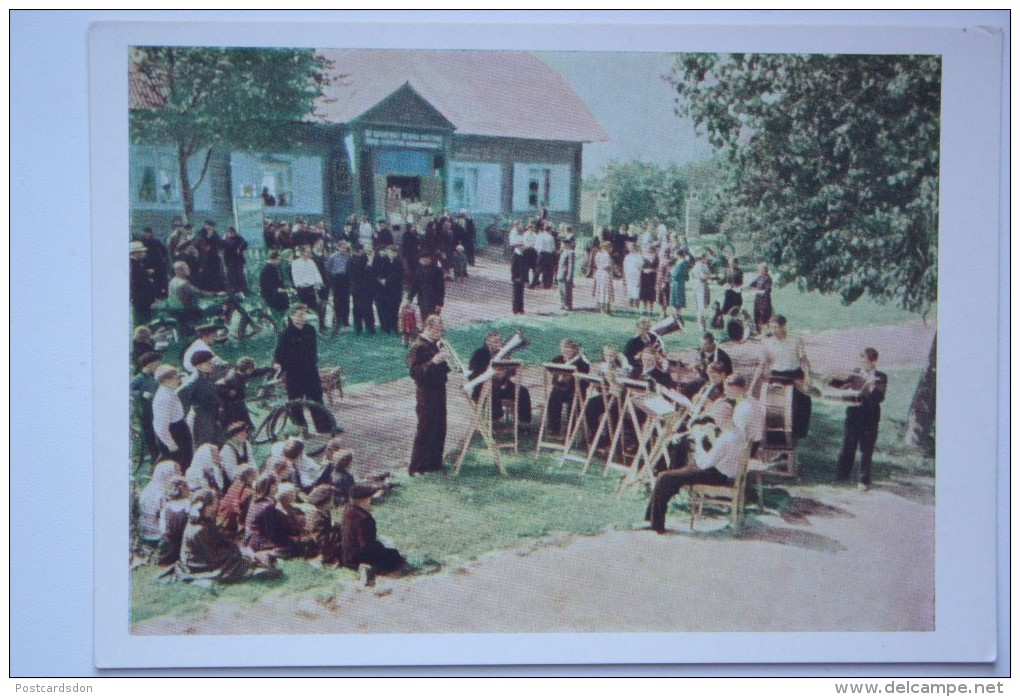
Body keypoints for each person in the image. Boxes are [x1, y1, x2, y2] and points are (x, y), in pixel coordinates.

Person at [644, 400, 749, 533]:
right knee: (675, 475)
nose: (715, 420)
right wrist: (711, 437)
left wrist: (699, 439)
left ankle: (655, 526)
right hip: (724, 472)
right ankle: (651, 518)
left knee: (663, 477)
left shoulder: (727, 438)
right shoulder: (737, 432)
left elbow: (704, 463)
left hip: (716, 475)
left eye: (716, 417)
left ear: (723, 417)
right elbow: (721, 452)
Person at [174, 489, 275, 584]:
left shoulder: (205, 521)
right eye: (215, 503)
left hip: (210, 556)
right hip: (198, 563)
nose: (217, 505)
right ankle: (253, 570)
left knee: (246, 556)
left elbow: (220, 541)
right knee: (241, 561)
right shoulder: (199, 529)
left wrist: (238, 548)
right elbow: (212, 555)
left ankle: (256, 565)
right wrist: (237, 553)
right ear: (207, 506)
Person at [273, 304, 337, 434]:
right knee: (296, 401)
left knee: (316, 398)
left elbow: (312, 350)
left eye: (304, 314)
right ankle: (301, 428)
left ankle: (324, 427)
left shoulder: (310, 330)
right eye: (299, 315)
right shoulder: (285, 333)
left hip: (310, 371)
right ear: (292, 316)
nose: (303, 317)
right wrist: (279, 364)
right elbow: (279, 353)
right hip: (294, 373)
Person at [834, 348, 888, 490]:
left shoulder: (881, 377)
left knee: (866, 448)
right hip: (853, 414)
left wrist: (871, 386)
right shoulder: (856, 373)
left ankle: (863, 480)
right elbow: (843, 385)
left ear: (874, 361)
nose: (863, 363)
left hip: (870, 417)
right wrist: (831, 380)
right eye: (861, 360)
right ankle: (842, 475)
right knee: (847, 445)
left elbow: (880, 397)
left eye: (865, 360)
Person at [753, 315, 813, 439]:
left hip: (794, 374)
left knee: (803, 403)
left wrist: (807, 377)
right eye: (771, 327)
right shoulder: (767, 342)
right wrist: (753, 385)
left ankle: (796, 435)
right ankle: (778, 436)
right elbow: (762, 364)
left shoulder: (796, 339)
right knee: (776, 409)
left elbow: (804, 360)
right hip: (777, 376)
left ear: (783, 326)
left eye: (776, 327)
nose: (773, 331)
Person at [406, 315, 450, 475]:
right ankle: (417, 466)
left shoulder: (435, 344)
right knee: (425, 428)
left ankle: (434, 462)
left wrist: (446, 360)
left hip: (439, 389)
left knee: (439, 426)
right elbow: (415, 372)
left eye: (441, 329)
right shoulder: (417, 346)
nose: (440, 332)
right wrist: (433, 362)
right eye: (438, 329)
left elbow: (444, 368)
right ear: (429, 328)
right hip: (426, 392)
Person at [340, 485, 409, 576]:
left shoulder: (348, 509)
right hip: (358, 558)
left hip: (347, 555)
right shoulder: (363, 519)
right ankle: (367, 568)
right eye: (369, 497)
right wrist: (383, 548)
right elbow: (367, 546)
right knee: (395, 557)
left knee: (390, 552)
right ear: (364, 499)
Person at [468, 332, 533, 428]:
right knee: (493, 389)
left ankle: (524, 423)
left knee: (522, 391)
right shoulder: (480, 353)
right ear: (487, 342)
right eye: (495, 341)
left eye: (499, 341)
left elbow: (511, 374)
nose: (498, 344)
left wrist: (509, 367)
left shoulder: (503, 353)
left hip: (502, 384)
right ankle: (496, 421)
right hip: (483, 387)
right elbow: (474, 375)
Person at [244, 474, 302, 558]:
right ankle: (267, 553)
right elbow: (271, 533)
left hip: (251, 539)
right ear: (271, 487)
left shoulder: (256, 502)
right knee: (295, 547)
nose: (278, 487)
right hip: (260, 542)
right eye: (276, 484)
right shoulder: (268, 506)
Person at [544, 339, 590, 434]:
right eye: (564, 348)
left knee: (575, 400)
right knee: (553, 396)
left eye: (570, 348)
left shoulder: (581, 362)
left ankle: (572, 430)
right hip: (560, 389)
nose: (566, 350)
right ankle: (554, 428)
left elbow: (585, 374)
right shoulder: (557, 360)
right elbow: (549, 367)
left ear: (575, 350)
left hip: (575, 391)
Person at [178, 350, 222, 448]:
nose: (212, 365)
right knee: (206, 447)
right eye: (208, 363)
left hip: (212, 416)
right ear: (198, 366)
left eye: (211, 362)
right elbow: (180, 393)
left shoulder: (206, 376)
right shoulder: (194, 381)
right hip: (202, 419)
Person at [152, 365, 193, 469]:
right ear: (165, 381)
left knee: (187, 461)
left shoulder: (169, 391)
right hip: (174, 434)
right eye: (175, 378)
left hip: (179, 430)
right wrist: (171, 444)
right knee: (180, 465)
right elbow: (160, 427)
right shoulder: (163, 399)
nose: (178, 380)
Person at [137, 460, 183, 543]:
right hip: (155, 536)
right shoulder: (159, 494)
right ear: (167, 474)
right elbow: (165, 517)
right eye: (176, 472)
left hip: (145, 532)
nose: (180, 475)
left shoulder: (151, 487)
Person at [130, 350, 163, 465]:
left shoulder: (153, 378)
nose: (159, 366)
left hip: (155, 412)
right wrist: (140, 394)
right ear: (150, 364)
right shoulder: (138, 379)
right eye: (157, 364)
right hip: (145, 415)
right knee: (152, 442)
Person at [216, 465, 257, 540]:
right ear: (250, 477)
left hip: (221, 519)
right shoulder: (249, 491)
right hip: (233, 524)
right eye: (254, 477)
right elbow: (245, 513)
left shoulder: (235, 485)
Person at [216, 357, 256, 430]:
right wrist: (228, 392)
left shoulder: (236, 373)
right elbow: (219, 389)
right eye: (251, 369)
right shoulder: (234, 379)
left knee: (247, 426)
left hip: (237, 405)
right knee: (240, 427)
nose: (253, 371)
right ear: (248, 370)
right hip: (232, 407)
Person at [290, 245, 325, 325]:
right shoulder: (295, 263)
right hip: (301, 288)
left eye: (310, 252)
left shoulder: (311, 262)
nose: (309, 254)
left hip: (311, 288)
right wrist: (299, 284)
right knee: (302, 308)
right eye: (307, 252)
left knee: (314, 308)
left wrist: (319, 282)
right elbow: (295, 276)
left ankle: (319, 326)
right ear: (302, 252)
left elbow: (316, 273)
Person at [348, 243, 376, 334]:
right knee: (357, 309)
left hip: (367, 288)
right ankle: (358, 327)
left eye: (360, 251)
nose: (359, 253)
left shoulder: (366, 258)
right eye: (358, 251)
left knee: (368, 308)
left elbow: (371, 273)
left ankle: (370, 327)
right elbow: (352, 273)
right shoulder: (351, 260)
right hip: (357, 288)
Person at [408, 254, 445, 321]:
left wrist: (439, 303)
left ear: (430, 259)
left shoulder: (437, 270)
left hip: (433, 300)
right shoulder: (418, 270)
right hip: (422, 300)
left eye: (426, 259)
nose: (424, 261)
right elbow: (415, 285)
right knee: (424, 320)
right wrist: (410, 298)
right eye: (422, 259)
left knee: (433, 321)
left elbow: (441, 289)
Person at [325, 241, 351, 334]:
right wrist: (331, 283)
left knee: (346, 301)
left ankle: (345, 321)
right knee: (337, 302)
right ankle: (337, 321)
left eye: (345, 248)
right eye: (342, 247)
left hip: (345, 279)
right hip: (336, 279)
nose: (344, 249)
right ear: (338, 247)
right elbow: (328, 270)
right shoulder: (332, 257)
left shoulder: (348, 257)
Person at [130, 240, 158, 325]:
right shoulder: (133, 265)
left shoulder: (138, 264)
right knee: (143, 322)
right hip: (141, 300)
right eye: (141, 252)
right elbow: (139, 283)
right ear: (135, 252)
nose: (143, 253)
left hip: (143, 299)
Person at [259, 251, 291, 321]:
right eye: (278, 260)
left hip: (280, 295)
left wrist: (285, 288)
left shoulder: (277, 267)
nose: (279, 261)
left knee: (286, 310)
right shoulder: (266, 270)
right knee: (277, 316)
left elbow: (280, 280)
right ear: (273, 259)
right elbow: (266, 285)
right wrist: (277, 289)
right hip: (271, 296)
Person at [747, 263, 774, 332]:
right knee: (756, 316)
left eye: (760, 269)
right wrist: (747, 288)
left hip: (765, 300)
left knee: (764, 317)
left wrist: (756, 291)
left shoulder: (768, 278)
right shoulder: (759, 277)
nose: (758, 270)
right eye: (759, 269)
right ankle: (758, 331)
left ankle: (766, 332)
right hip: (757, 300)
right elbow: (751, 285)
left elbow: (767, 291)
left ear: (764, 269)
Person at [222, 226, 249, 295]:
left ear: (234, 233)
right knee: (230, 276)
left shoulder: (238, 239)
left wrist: (240, 249)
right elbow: (224, 248)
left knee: (240, 276)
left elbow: (245, 244)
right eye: (229, 232)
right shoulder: (226, 240)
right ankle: (232, 291)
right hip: (229, 261)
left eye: (231, 232)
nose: (230, 234)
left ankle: (243, 291)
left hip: (238, 261)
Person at [691, 252, 713, 331]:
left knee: (705, 304)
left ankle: (703, 323)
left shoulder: (704, 265)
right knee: (701, 306)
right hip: (700, 286)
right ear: (702, 257)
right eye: (705, 257)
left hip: (704, 285)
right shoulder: (698, 266)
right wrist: (712, 276)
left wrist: (710, 276)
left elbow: (709, 273)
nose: (706, 259)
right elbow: (703, 276)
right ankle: (701, 324)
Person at [592, 242, 615, 314]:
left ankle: (599, 307)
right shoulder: (606, 255)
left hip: (599, 273)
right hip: (605, 274)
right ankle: (605, 308)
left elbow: (596, 264)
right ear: (608, 247)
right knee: (605, 290)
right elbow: (608, 267)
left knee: (600, 290)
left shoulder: (598, 254)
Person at [669, 248, 691, 319]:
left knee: (676, 299)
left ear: (678, 254)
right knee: (677, 299)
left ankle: (677, 315)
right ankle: (677, 314)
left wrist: (671, 271)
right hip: (680, 282)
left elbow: (675, 274)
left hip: (677, 282)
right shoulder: (683, 262)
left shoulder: (681, 263)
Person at [556, 237, 576, 311]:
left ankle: (568, 305)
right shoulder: (563, 252)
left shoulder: (571, 252)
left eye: (563, 243)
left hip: (565, 274)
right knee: (561, 291)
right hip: (560, 274)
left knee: (567, 291)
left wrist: (569, 276)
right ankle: (562, 304)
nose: (561, 244)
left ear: (567, 244)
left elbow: (571, 265)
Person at [622, 242, 643, 310]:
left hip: (636, 276)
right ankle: (630, 308)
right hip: (629, 277)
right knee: (630, 291)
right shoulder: (627, 257)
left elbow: (640, 266)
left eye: (632, 248)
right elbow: (625, 268)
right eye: (630, 248)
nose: (631, 249)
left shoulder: (639, 256)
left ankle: (636, 308)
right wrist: (624, 277)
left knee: (636, 291)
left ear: (635, 248)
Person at [535, 224, 556, 289]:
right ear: (549, 230)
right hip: (548, 254)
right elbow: (553, 248)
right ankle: (545, 284)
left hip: (541, 254)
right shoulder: (551, 237)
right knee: (547, 270)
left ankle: (534, 282)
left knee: (538, 268)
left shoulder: (539, 236)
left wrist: (538, 251)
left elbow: (536, 245)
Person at [639, 245, 658, 315]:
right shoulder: (643, 257)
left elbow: (656, 268)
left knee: (651, 293)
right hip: (644, 276)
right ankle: (644, 309)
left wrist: (652, 269)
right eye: (649, 249)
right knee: (644, 293)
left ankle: (651, 310)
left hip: (652, 276)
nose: (650, 250)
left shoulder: (656, 257)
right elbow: (640, 267)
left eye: (651, 249)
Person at [510, 239, 527, 316]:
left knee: (521, 293)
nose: (522, 246)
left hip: (521, 277)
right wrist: (515, 277)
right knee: (516, 294)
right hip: (517, 277)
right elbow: (513, 268)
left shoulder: (521, 254)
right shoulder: (515, 255)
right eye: (520, 245)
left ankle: (520, 308)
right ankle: (515, 309)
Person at [656, 247, 674, 318]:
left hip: (665, 281)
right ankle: (662, 311)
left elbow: (667, 273)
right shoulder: (662, 260)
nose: (664, 253)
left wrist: (663, 282)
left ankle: (664, 312)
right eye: (664, 252)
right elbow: (659, 272)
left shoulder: (668, 262)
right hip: (660, 280)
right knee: (661, 297)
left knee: (665, 297)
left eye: (666, 252)